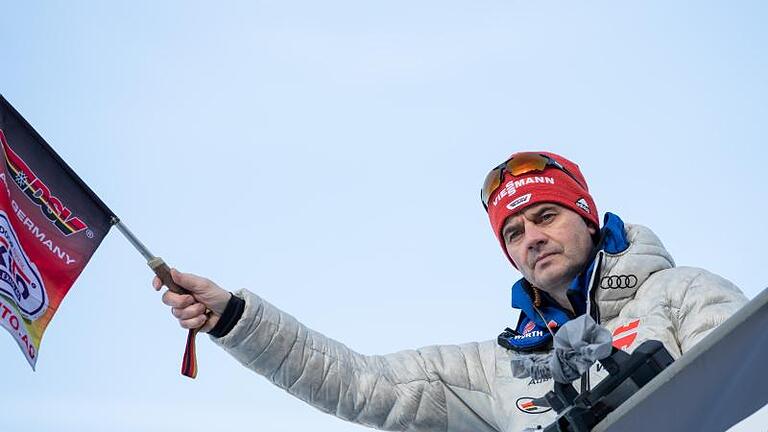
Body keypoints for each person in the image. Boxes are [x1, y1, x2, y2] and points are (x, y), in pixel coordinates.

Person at [154, 151, 747, 431]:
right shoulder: (493, 369)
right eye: (514, 233)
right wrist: (234, 318)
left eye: (546, 217)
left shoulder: (680, 293)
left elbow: (736, 378)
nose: (531, 238)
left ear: (588, 219)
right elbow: (359, 383)